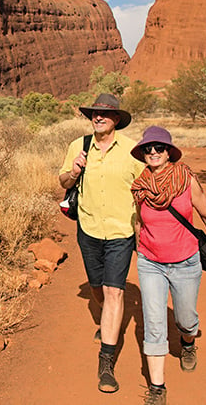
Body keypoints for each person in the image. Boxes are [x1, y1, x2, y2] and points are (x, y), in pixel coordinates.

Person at [130, 126, 206, 405]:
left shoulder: (186, 180)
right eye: (148, 149)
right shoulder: (141, 186)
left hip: (186, 262)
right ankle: (157, 389)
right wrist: (141, 248)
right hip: (151, 264)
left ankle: (188, 343)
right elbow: (139, 220)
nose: (153, 153)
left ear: (169, 151)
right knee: (154, 323)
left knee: (186, 320)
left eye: (159, 148)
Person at [58, 93, 144, 393]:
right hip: (89, 229)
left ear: (116, 119)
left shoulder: (133, 151)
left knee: (114, 291)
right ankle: (109, 319)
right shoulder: (78, 147)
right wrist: (74, 171)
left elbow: (147, 188)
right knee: (98, 288)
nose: (98, 117)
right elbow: (64, 183)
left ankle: (106, 361)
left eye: (104, 114)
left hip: (121, 232)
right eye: (94, 113)